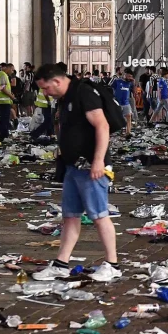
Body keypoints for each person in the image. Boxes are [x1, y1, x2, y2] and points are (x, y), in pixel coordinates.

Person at [32, 63, 120, 282]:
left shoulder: (84, 93)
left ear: (57, 81)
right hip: (73, 166)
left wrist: (98, 160)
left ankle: (113, 264)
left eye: (46, 88)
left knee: (99, 215)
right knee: (70, 216)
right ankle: (61, 263)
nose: (45, 93)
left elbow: (102, 126)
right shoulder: (65, 97)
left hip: (91, 167)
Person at [111, 70, 134, 135]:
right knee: (115, 118)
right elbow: (109, 88)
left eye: (131, 76)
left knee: (129, 116)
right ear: (124, 74)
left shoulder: (130, 82)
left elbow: (131, 90)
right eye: (128, 76)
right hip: (117, 103)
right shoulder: (117, 81)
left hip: (126, 103)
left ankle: (128, 133)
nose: (130, 78)